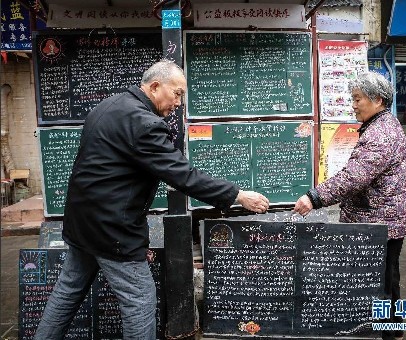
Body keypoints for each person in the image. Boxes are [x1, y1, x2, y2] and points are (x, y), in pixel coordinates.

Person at [34, 60, 270, 340]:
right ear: (155, 86)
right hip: (113, 230)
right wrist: (237, 195)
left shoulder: (108, 105)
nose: (179, 103)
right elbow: (182, 174)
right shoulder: (144, 124)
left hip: (81, 223)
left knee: (68, 290)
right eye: (177, 93)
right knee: (139, 300)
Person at [293, 71, 406, 340]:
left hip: (380, 221)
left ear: (378, 100)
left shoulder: (380, 133)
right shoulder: (384, 124)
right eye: (353, 98)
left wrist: (313, 198)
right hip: (388, 220)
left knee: (379, 281)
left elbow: (354, 177)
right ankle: (395, 328)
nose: (353, 104)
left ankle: (385, 333)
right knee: (388, 275)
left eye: (358, 99)